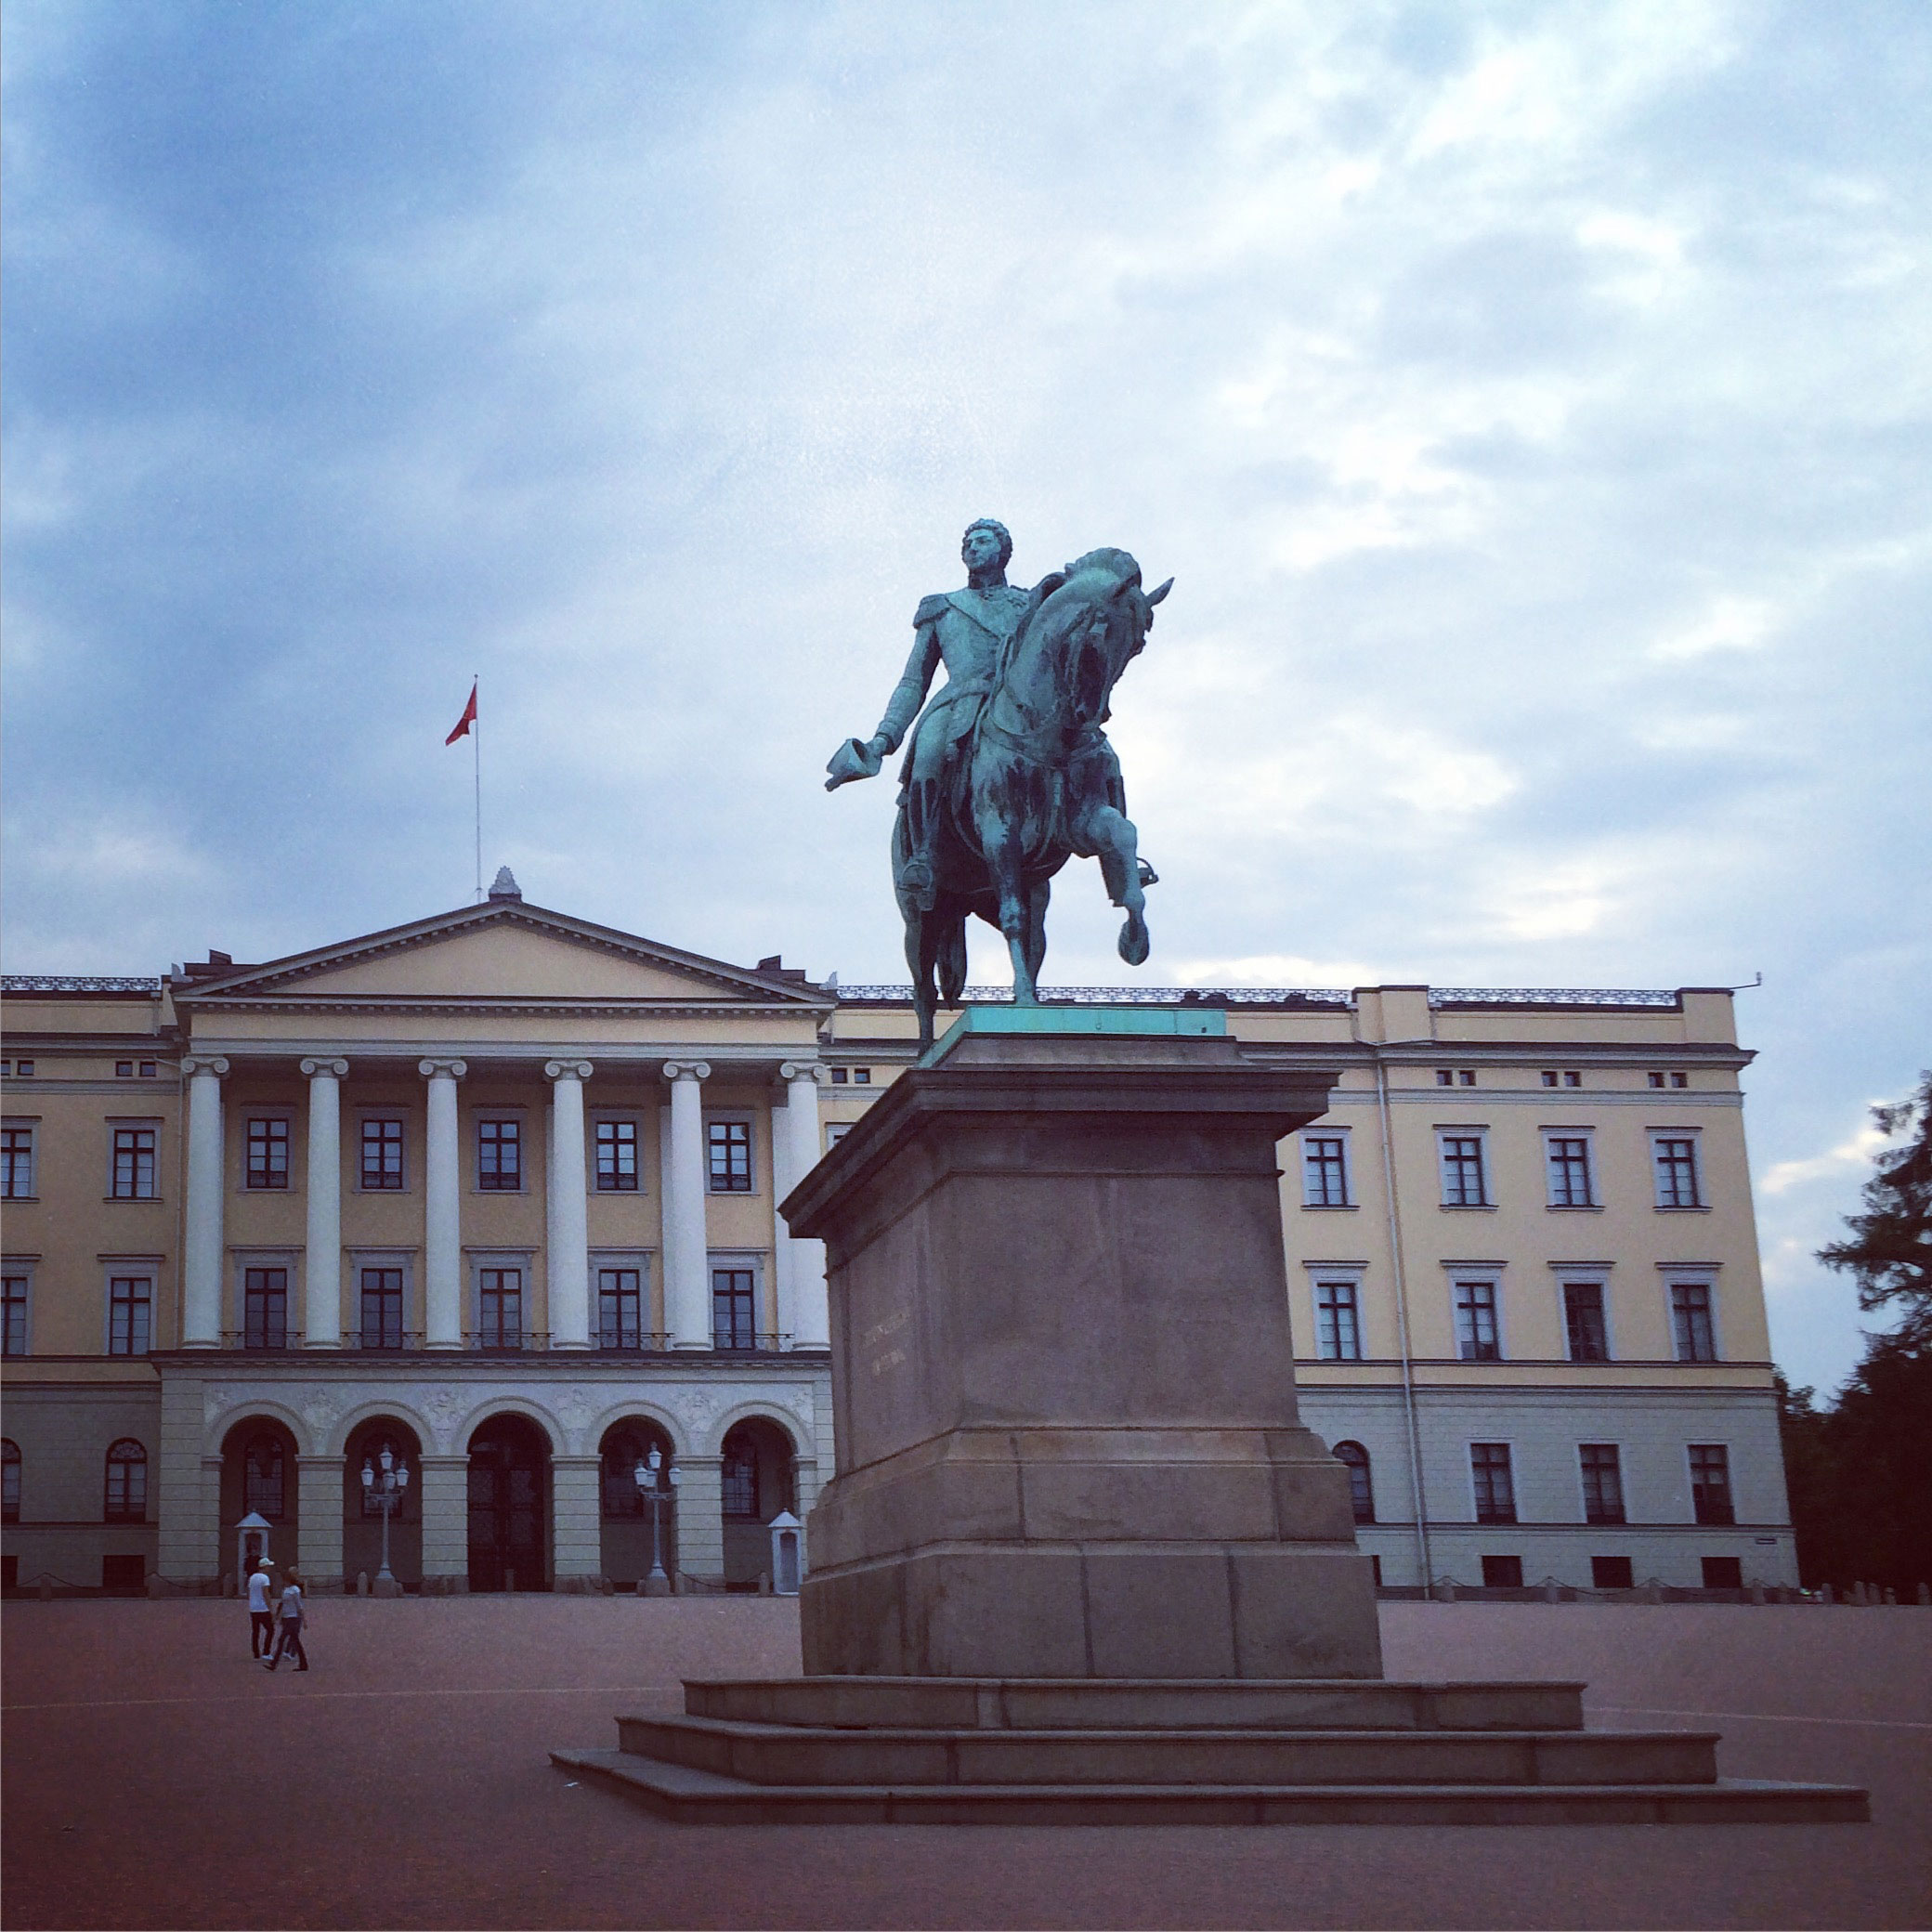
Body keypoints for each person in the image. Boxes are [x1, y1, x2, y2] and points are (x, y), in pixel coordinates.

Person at [826, 518, 1030, 908]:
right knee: (928, 757)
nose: (972, 548)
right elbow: (914, 680)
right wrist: (883, 739)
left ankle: (1115, 854)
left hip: (1017, 704)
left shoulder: (1030, 603)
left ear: (1003, 551)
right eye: (967, 543)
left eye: (983, 541)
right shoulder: (943, 607)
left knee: (1090, 751)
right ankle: (922, 855)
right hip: (958, 701)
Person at [263, 1569, 308, 1672]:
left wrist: (304, 1619)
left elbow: (299, 1605)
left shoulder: (295, 1590)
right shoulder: (286, 1590)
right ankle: (303, 1664)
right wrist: (278, 1615)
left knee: (283, 1640)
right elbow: (282, 1604)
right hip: (286, 1618)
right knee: (295, 1641)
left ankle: (274, 1663)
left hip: (293, 1618)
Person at [246, 1559, 276, 1659]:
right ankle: (266, 1652)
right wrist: (271, 1608)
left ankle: (256, 1652)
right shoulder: (265, 1578)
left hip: (253, 1608)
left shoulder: (252, 1577)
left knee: (255, 1631)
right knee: (270, 1630)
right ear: (265, 1567)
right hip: (263, 1608)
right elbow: (266, 1594)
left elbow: (249, 1592)